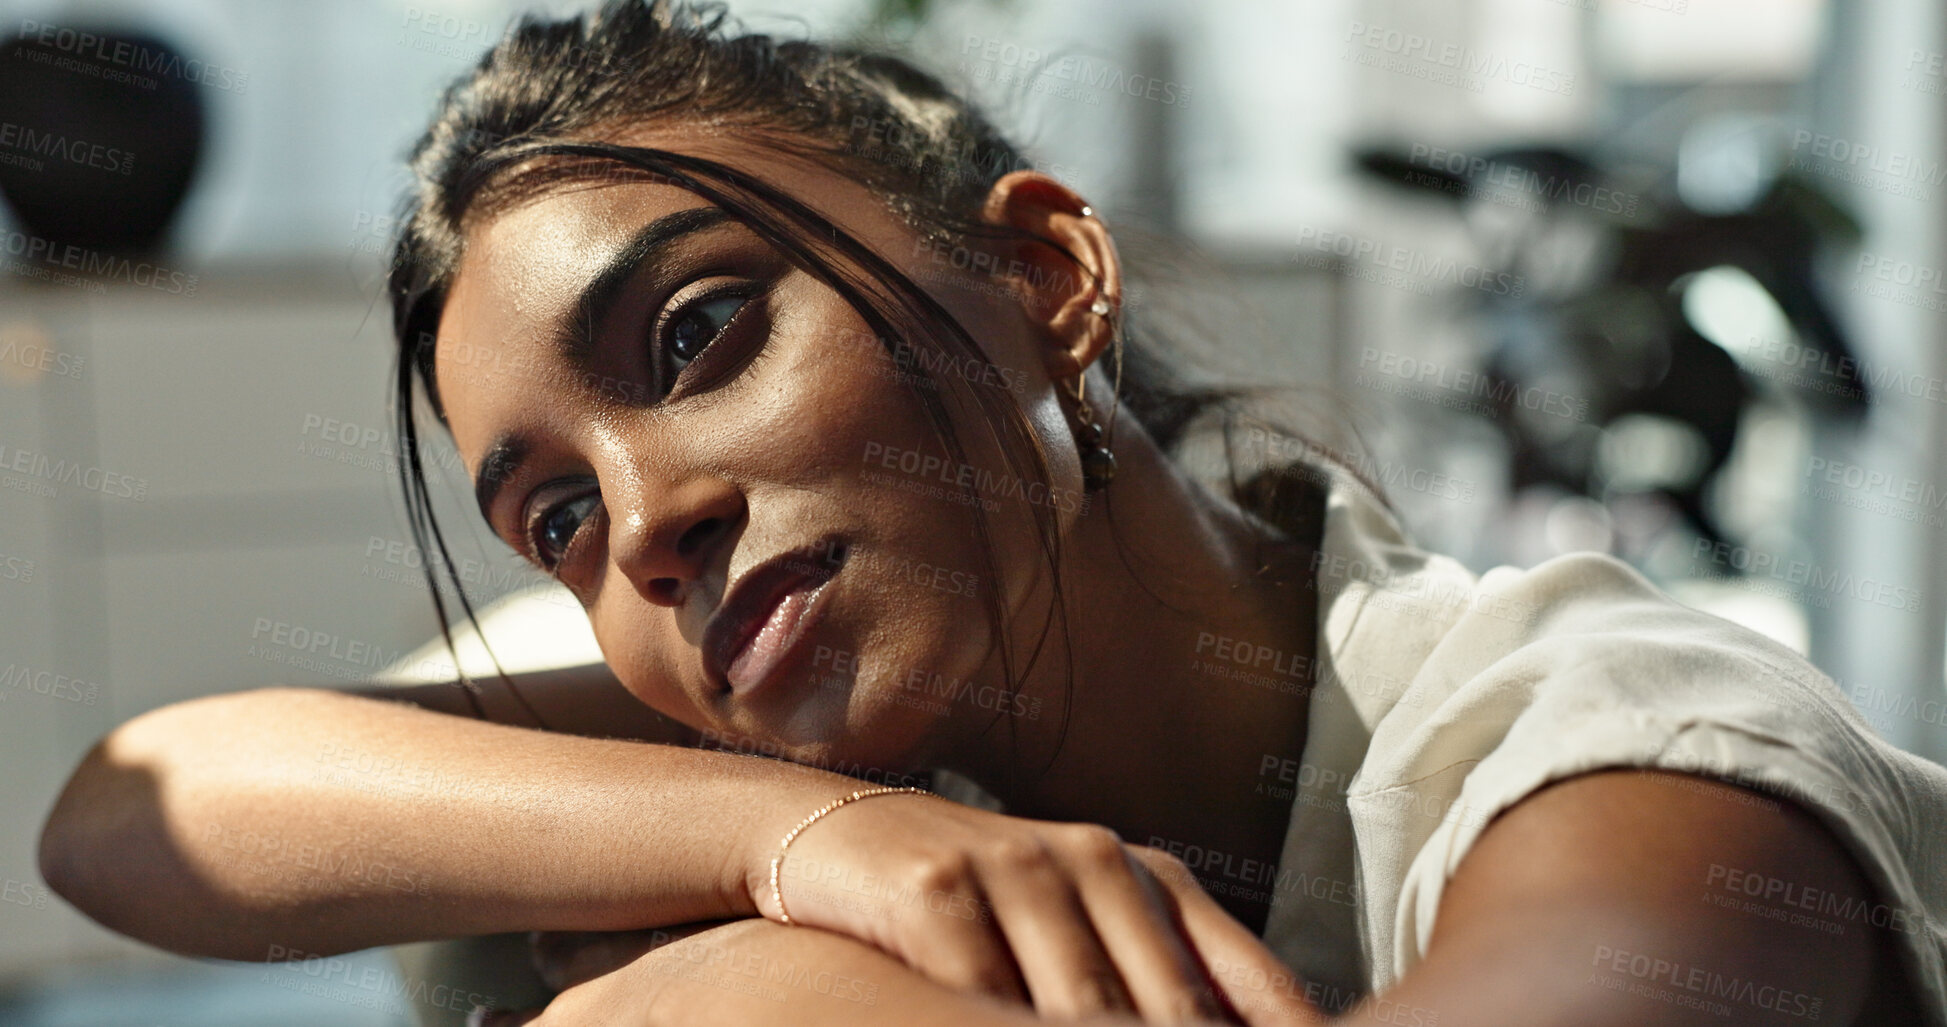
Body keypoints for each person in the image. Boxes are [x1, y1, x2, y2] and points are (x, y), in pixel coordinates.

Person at [37, 2, 1946, 1024]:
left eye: (698, 335)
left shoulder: (1627, 758)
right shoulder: (852, 742)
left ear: (1043, 279)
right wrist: (806, 842)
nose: (645, 532)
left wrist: (742, 1002)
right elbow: (137, 808)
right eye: (549, 518)